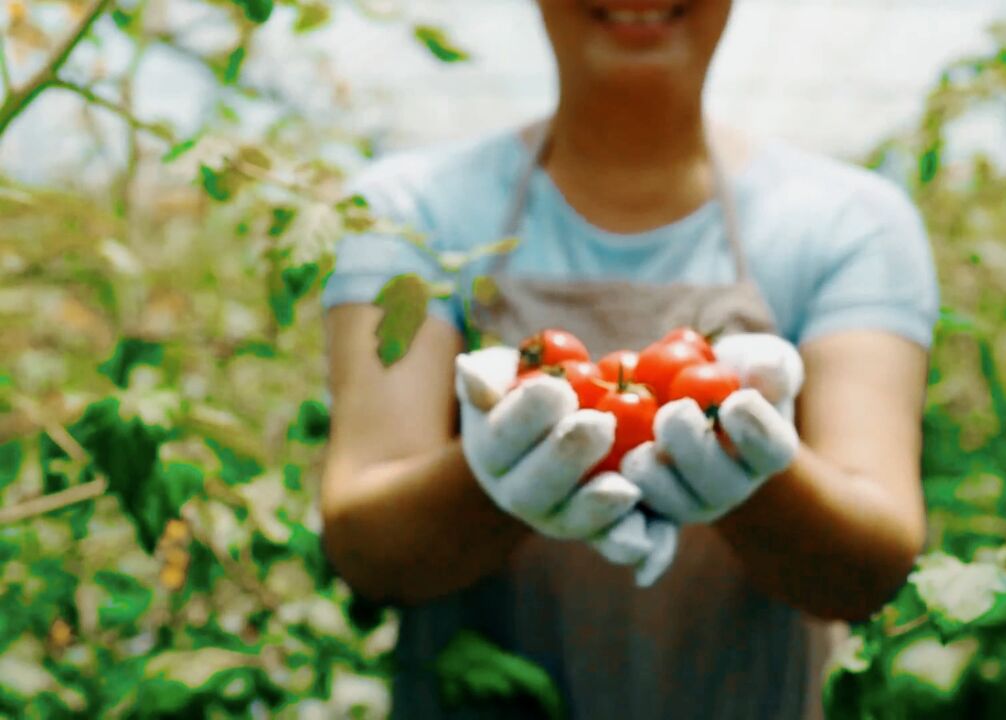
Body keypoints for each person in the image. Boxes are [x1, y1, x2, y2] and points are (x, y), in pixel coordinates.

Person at [319, 1, 939, 717]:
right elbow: (365, 550)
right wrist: (488, 475)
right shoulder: (406, 212)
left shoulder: (851, 223)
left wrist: (761, 472)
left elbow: (873, 568)